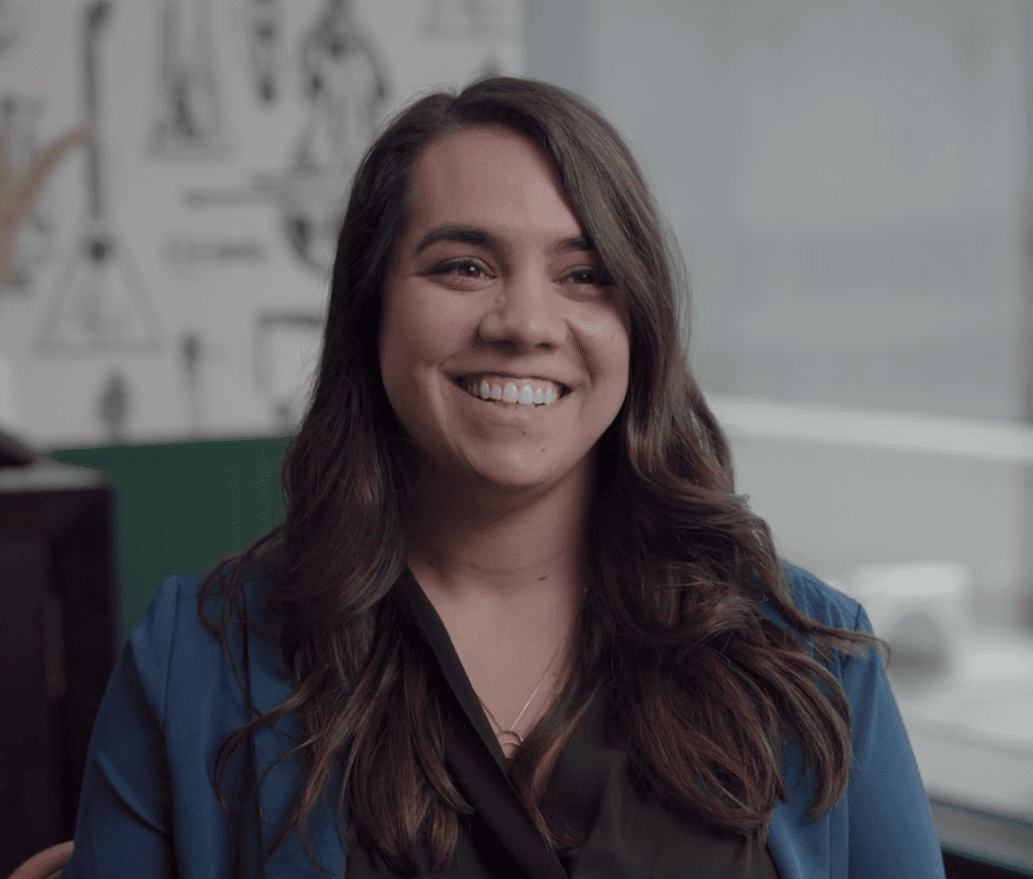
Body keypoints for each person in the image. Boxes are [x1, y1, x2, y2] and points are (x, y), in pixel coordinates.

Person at [61, 77, 946, 878]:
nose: (525, 321)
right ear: (372, 309)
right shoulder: (199, 661)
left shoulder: (809, 657)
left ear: (636, 324)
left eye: (583, 274)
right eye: (463, 265)